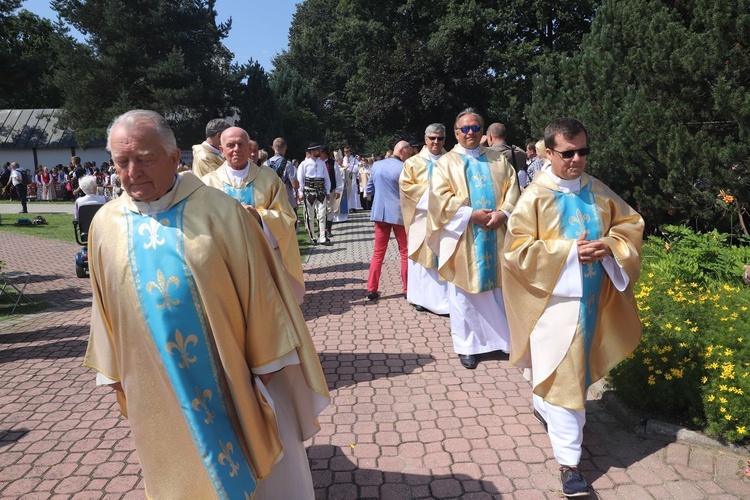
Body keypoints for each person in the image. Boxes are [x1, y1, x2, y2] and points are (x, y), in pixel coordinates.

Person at [84, 110, 330, 499]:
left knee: (258, 470)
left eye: (144, 159)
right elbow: (104, 305)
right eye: (121, 162)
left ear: (172, 156)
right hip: (152, 382)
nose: (132, 172)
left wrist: (264, 371)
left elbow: (260, 296)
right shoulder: (105, 224)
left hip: (229, 377)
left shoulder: (219, 211)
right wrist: (113, 367)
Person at [502, 117, 644, 497]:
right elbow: (515, 252)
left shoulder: (598, 190)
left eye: (583, 150)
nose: (577, 159)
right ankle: (569, 464)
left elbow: (630, 224)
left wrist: (610, 246)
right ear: (549, 153)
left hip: (595, 300)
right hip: (555, 306)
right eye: (568, 153)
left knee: (569, 373)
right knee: (566, 378)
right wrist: (568, 253)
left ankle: (541, 404)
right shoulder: (534, 196)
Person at [428, 108, 520, 370]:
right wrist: (471, 214)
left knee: (498, 291)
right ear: (456, 133)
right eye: (464, 129)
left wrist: (504, 213)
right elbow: (439, 199)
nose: (470, 133)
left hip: (497, 235)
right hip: (464, 238)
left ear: (482, 131)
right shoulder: (446, 162)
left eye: (475, 128)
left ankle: (502, 341)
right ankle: (467, 346)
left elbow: (513, 192)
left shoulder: (498, 160)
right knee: (463, 295)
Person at [202, 126, 305, 304]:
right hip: (226, 263)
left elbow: (287, 217)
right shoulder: (209, 184)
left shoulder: (269, 178)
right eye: (230, 145)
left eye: (241, 144)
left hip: (263, 260)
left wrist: (259, 217)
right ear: (221, 150)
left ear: (249, 148)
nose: (236, 149)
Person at [400, 124, 449, 315]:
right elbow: (406, 189)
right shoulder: (413, 163)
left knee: (443, 257)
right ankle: (420, 298)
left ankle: (444, 300)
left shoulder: (451, 161)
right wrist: (436, 198)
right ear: (425, 139)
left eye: (440, 138)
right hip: (422, 218)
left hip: (446, 219)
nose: (436, 142)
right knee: (422, 261)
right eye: (432, 138)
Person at [365, 140, 413, 301]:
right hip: (398, 214)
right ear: (402, 151)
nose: (410, 155)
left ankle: (372, 288)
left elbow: (369, 189)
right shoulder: (404, 167)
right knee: (405, 252)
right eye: (409, 152)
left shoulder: (377, 165)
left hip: (379, 213)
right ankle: (408, 289)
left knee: (378, 253)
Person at [297, 142, 332, 246]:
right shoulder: (304, 164)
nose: (320, 152)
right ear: (312, 151)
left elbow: (326, 178)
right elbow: (300, 179)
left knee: (322, 214)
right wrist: (300, 192)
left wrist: (328, 190)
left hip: (321, 192)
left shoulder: (322, 163)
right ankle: (312, 237)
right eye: (317, 150)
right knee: (310, 215)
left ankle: (322, 237)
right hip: (309, 192)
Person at [265, 137, 299, 220]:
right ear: (286, 147)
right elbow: (294, 184)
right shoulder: (288, 164)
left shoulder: (266, 164)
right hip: (287, 202)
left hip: (271, 202)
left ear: (273, 148)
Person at [486, 122, 528, 189]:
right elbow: (523, 154)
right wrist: (511, 146)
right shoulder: (516, 154)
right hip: (512, 191)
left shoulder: (484, 153)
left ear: (490, 137)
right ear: (505, 136)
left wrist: (480, 145)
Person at [320, 147, 343, 240]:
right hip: (320, 190)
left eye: (320, 152)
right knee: (321, 210)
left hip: (331, 190)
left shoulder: (332, 163)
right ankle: (321, 230)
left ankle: (328, 229)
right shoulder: (318, 163)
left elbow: (338, 177)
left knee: (329, 209)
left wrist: (338, 190)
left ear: (324, 153)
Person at [343, 147, 362, 211]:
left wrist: (352, 170)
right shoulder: (343, 159)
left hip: (352, 176)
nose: (347, 154)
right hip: (345, 176)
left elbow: (357, 167)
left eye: (348, 152)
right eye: (345, 152)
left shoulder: (354, 159)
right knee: (347, 191)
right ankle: (348, 206)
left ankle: (353, 206)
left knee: (353, 191)